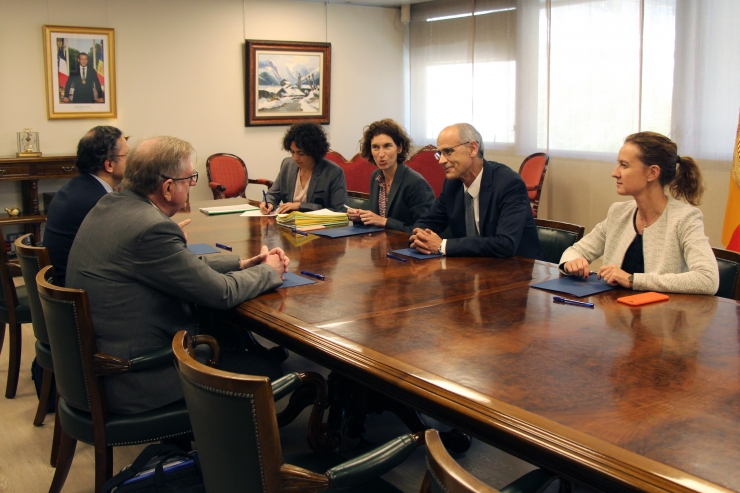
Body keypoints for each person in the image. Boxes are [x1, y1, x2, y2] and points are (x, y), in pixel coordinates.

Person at [66, 136, 290, 414]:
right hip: (137, 377)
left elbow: (178, 268)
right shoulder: (150, 229)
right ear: (169, 187)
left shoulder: (111, 206)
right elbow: (221, 293)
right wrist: (269, 272)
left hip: (102, 364)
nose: (193, 184)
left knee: (230, 339)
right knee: (267, 367)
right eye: (190, 178)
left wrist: (242, 264)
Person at [560, 131, 719, 295]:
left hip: (662, 316)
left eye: (624, 165)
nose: (615, 173)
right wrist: (572, 262)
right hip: (615, 315)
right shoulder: (618, 212)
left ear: (652, 173)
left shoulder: (684, 218)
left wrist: (632, 280)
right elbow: (576, 251)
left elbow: (707, 279)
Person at [410, 123, 543, 259]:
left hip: (518, 270)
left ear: (472, 148)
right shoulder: (452, 185)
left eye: (448, 152)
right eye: (439, 154)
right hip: (471, 269)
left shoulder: (509, 184)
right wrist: (420, 237)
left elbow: (505, 243)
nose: (441, 161)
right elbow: (427, 222)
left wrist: (442, 245)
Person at [44, 126, 128, 287]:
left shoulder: (74, 188)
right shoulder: (99, 202)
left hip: (59, 286)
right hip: (75, 294)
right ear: (109, 164)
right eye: (127, 156)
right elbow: (125, 251)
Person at [347, 119, 435, 234]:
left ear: (399, 148)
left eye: (387, 146)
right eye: (375, 147)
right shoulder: (376, 177)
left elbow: (425, 230)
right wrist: (361, 218)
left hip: (406, 248)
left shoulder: (415, 182)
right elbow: (377, 221)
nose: (381, 154)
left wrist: (385, 221)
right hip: (381, 245)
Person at [260, 122, 347, 214]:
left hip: (318, 225)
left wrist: (300, 205)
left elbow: (340, 210)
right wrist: (268, 203)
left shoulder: (333, 172)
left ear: (314, 151)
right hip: (288, 223)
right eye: (292, 152)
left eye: (301, 153)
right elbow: (273, 194)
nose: (295, 158)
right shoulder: (287, 164)